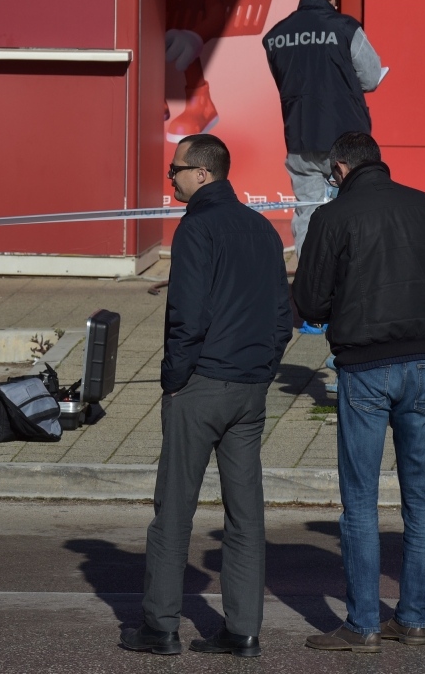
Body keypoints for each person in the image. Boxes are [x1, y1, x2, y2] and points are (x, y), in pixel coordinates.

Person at [121, 134, 295, 659]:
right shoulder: (263, 229)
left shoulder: (196, 227)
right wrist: (263, 370)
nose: (170, 178)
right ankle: (243, 631)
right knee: (246, 515)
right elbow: (283, 315)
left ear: (201, 172)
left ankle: (161, 627)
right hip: (249, 387)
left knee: (174, 509)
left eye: (175, 170)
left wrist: (174, 378)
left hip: (201, 385)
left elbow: (187, 317)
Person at [292, 131, 425, 652]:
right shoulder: (423, 206)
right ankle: (411, 620)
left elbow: (312, 304)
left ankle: (362, 625)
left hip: (363, 367)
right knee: (422, 500)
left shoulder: (332, 217)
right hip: (419, 365)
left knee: (360, 502)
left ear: (340, 168)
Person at [262, 0, 385, 257]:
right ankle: (353, 272)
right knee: (355, 204)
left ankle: (309, 278)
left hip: (300, 135)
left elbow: (284, 79)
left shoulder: (276, 36)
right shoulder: (346, 27)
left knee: (308, 210)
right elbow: (371, 77)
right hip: (347, 138)